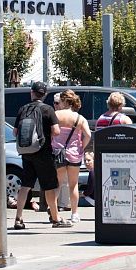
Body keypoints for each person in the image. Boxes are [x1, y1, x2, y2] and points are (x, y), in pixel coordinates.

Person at [13, 81, 70, 229]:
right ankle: (56, 219)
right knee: (49, 186)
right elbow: (56, 131)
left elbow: (15, 132)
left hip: (27, 153)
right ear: (44, 95)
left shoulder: (23, 109)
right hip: (43, 152)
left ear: (31, 92)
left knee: (25, 185)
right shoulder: (48, 109)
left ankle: (18, 218)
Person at [52, 90, 90, 223]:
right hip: (74, 153)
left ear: (64, 101)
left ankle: (54, 212)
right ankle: (74, 213)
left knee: (57, 184)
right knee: (73, 185)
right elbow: (88, 135)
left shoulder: (55, 115)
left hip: (58, 153)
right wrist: (81, 147)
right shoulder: (79, 118)